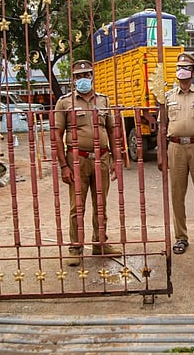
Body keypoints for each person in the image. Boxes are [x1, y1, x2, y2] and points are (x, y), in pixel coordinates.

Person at [52, 59, 121, 267]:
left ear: (93, 76)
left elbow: (112, 130)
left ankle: (100, 242)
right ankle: (75, 247)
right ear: (73, 79)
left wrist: (117, 160)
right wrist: (64, 166)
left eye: (87, 75)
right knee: (77, 206)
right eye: (79, 76)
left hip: (102, 158)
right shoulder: (64, 102)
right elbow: (56, 135)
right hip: (77, 160)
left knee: (100, 204)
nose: (83, 79)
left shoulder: (103, 101)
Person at [158, 52, 194, 256]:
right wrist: (161, 155)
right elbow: (161, 127)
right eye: (179, 67)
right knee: (177, 195)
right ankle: (181, 238)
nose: (182, 71)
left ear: (193, 72)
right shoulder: (168, 97)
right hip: (175, 148)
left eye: (186, 67)